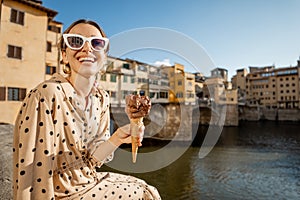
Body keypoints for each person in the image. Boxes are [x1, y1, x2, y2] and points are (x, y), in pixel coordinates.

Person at [12, 19, 161, 200]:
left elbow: (92, 161)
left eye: (96, 43)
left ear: (104, 58)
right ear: (64, 55)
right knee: (146, 195)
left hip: (89, 181)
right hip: (60, 193)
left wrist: (117, 137)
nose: (87, 48)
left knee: (145, 187)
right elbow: (32, 170)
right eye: (76, 41)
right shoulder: (47, 94)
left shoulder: (102, 98)